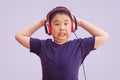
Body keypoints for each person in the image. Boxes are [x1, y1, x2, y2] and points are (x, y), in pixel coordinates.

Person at [15, 6, 109, 80]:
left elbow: (104, 36)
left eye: (66, 23)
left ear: (72, 26)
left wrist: (80, 22)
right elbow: (19, 36)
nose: (62, 28)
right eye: (56, 24)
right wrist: (41, 22)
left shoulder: (80, 46)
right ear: (49, 28)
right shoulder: (42, 46)